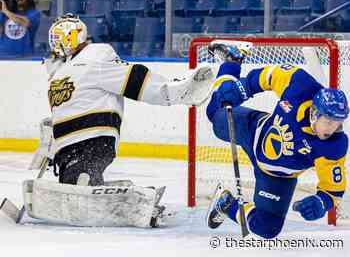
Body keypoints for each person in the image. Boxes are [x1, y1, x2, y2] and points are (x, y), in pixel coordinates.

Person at [19, 13, 214, 228]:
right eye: (53, 38)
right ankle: (115, 197)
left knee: (79, 180)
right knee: (72, 185)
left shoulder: (95, 58)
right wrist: (51, 135)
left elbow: (132, 78)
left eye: (59, 37)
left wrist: (174, 92)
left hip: (93, 140)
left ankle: (132, 204)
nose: (55, 43)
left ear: (72, 36)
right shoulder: (60, 71)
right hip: (66, 149)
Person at [206, 40, 349, 239]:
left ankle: (226, 203)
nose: (333, 128)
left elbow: (334, 188)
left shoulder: (335, 145)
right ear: (315, 113)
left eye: (338, 122)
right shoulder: (300, 85)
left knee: (267, 228)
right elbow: (269, 76)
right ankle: (232, 60)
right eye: (328, 121)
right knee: (215, 111)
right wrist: (244, 87)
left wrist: (322, 202)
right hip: (253, 129)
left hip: (277, 178)